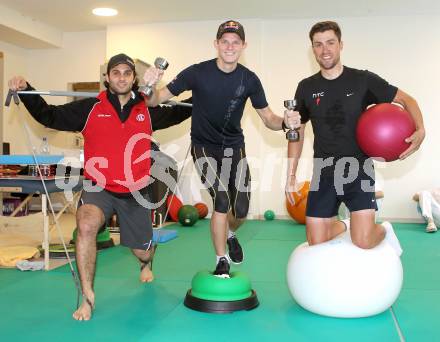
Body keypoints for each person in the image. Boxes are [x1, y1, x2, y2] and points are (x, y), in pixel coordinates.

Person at [8, 53, 192, 321]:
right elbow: (50, 116)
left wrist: (206, 97)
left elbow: (180, 112)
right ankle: (87, 296)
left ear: (134, 78)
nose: (121, 77)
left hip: (136, 189)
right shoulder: (89, 108)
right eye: (115, 72)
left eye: (126, 73)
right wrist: (26, 90)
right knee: (85, 224)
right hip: (99, 186)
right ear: (107, 77)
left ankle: (145, 261)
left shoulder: (148, 109)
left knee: (142, 249)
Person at [143, 20, 299, 278]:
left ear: (243, 46)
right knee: (221, 199)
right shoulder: (197, 73)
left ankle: (230, 232)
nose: (229, 46)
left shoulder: (249, 79)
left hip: (234, 149)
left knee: (240, 210)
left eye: (235, 42)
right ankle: (221, 259)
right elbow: (155, 99)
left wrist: (285, 122)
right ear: (216, 44)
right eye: (224, 41)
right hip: (204, 147)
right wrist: (147, 85)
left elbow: (269, 118)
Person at [285, 21, 425, 253]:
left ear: (341, 45)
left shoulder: (362, 79)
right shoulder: (306, 87)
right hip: (324, 171)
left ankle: (383, 230)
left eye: (330, 42)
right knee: (316, 241)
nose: (325, 50)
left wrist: (421, 130)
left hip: (358, 168)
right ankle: (345, 224)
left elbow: (407, 100)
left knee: (364, 241)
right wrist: (290, 175)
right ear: (313, 49)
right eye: (318, 45)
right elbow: (296, 131)